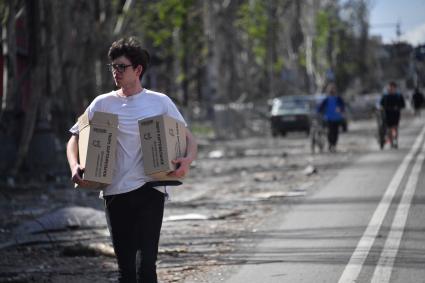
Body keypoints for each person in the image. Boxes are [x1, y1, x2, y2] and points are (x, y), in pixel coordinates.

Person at [66, 37, 197, 283]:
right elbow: (73, 138)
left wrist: (186, 162)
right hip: (115, 193)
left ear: (138, 70)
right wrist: (75, 166)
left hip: (150, 190)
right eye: (113, 67)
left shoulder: (159, 102)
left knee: (146, 266)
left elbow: (189, 139)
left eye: (121, 67)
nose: (116, 72)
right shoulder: (102, 103)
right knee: (125, 269)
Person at [318, 83, 346, 153]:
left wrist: (341, 109)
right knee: (330, 132)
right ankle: (331, 145)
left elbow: (343, 106)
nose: (332, 90)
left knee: (335, 132)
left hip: (337, 118)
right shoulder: (326, 99)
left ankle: (333, 145)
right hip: (329, 118)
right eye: (330, 89)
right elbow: (320, 108)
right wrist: (320, 112)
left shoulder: (338, 99)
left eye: (333, 89)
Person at [379, 81, 405, 148]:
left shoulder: (398, 96)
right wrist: (381, 108)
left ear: (395, 88)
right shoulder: (385, 96)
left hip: (396, 115)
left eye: (393, 87)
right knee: (389, 129)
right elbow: (381, 104)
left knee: (395, 128)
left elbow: (403, 105)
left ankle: (395, 141)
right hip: (387, 115)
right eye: (390, 87)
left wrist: (398, 107)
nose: (391, 89)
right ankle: (391, 142)